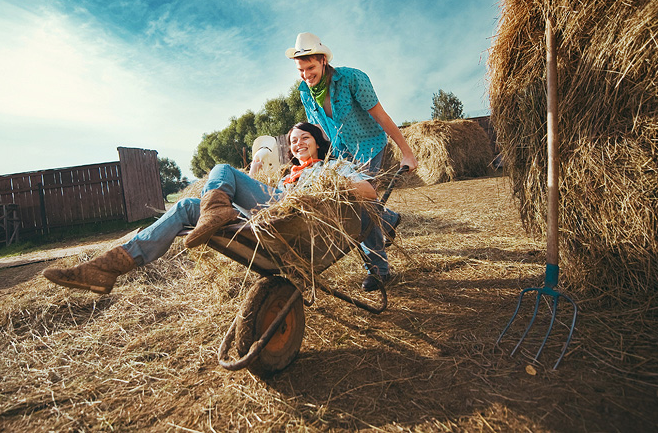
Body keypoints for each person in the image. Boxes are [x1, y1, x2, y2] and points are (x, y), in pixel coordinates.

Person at [43, 122, 390, 295]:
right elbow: (263, 190)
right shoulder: (286, 175)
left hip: (299, 218)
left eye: (305, 138)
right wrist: (257, 175)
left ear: (320, 142)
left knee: (222, 170)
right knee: (185, 207)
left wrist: (325, 189)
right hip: (271, 217)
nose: (297, 143)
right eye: (293, 140)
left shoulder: (329, 167)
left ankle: (216, 210)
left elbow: (369, 191)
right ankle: (110, 266)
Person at [286, 32, 419, 289]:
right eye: (301, 69)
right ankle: (388, 218)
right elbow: (317, 130)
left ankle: (379, 269)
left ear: (324, 61)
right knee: (344, 198)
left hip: (369, 144)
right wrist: (316, 165)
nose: (306, 75)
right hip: (341, 150)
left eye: (310, 67)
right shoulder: (305, 91)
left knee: (362, 203)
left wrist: (407, 152)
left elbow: (381, 116)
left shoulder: (352, 79)